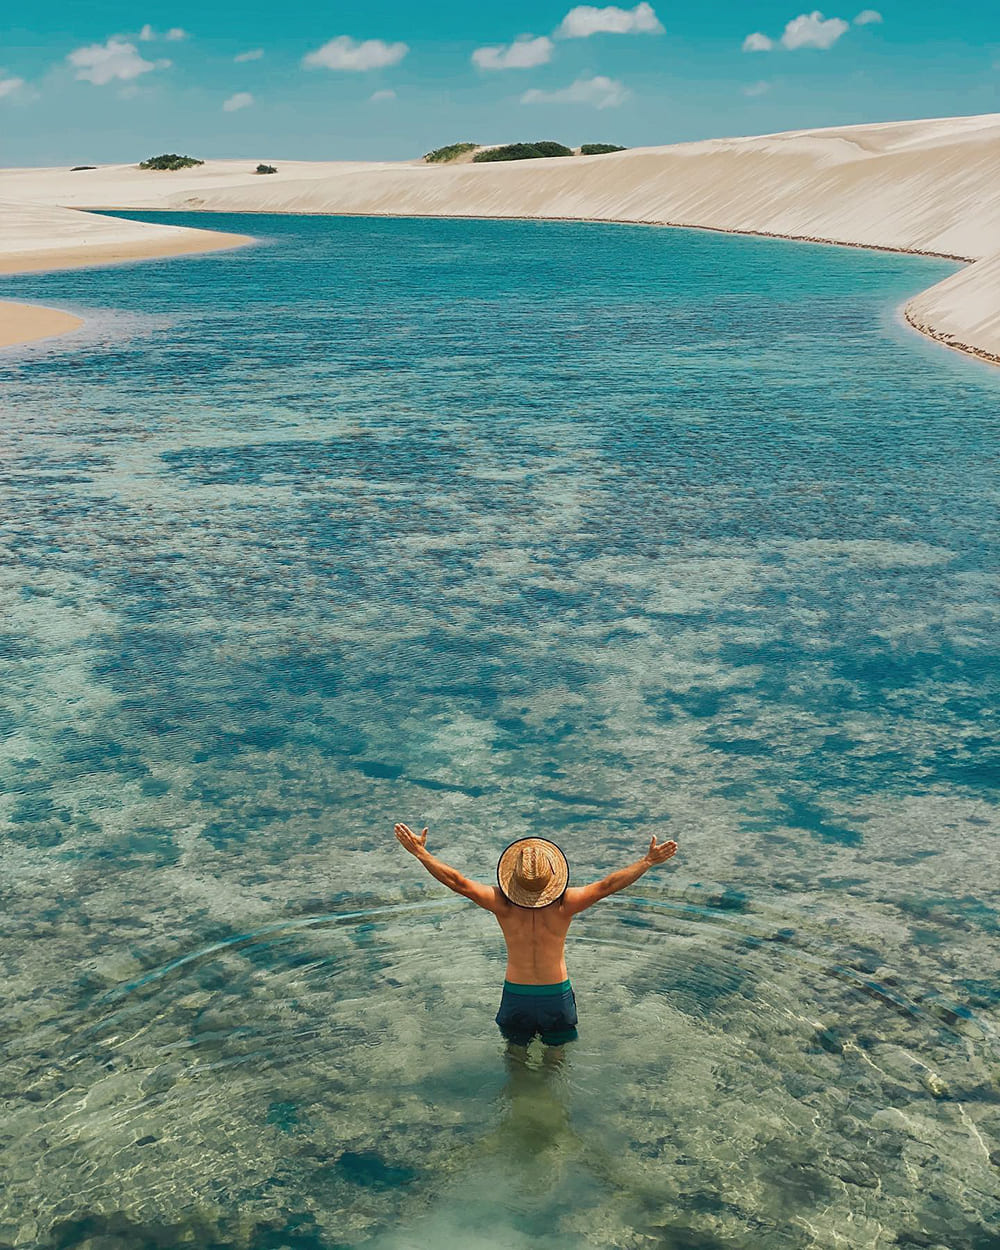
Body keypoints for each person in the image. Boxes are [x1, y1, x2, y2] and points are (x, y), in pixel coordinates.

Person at [393, 823, 678, 1048]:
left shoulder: (501, 904)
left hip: (516, 995)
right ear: (553, 876)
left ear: (514, 878)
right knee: (555, 1070)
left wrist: (421, 853)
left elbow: (458, 882)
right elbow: (607, 886)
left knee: (515, 1066)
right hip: (556, 996)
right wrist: (647, 861)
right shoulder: (566, 904)